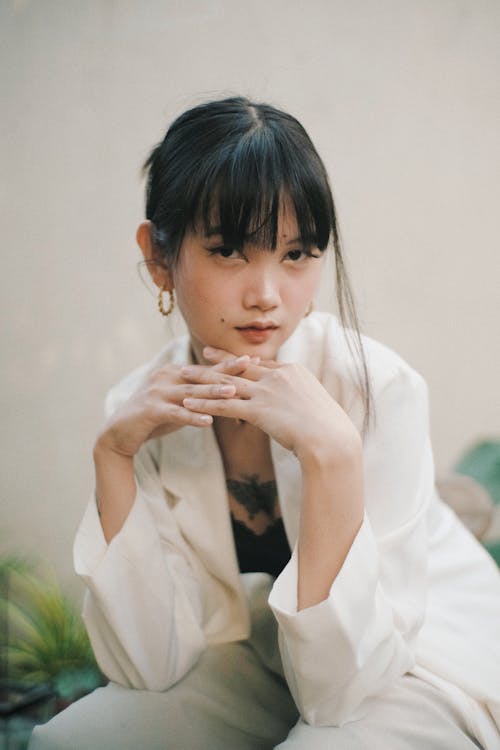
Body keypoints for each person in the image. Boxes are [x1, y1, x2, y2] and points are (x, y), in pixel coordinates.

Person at [29, 96, 500, 750]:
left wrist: (332, 453)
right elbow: (148, 668)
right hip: (268, 658)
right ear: (160, 257)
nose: (267, 295)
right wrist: (112, 457)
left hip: (419, 661)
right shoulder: (143, 411)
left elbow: (343, 694)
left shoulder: (375, 388)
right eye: (228, 251)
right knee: (73, 740)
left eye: (298, 254)